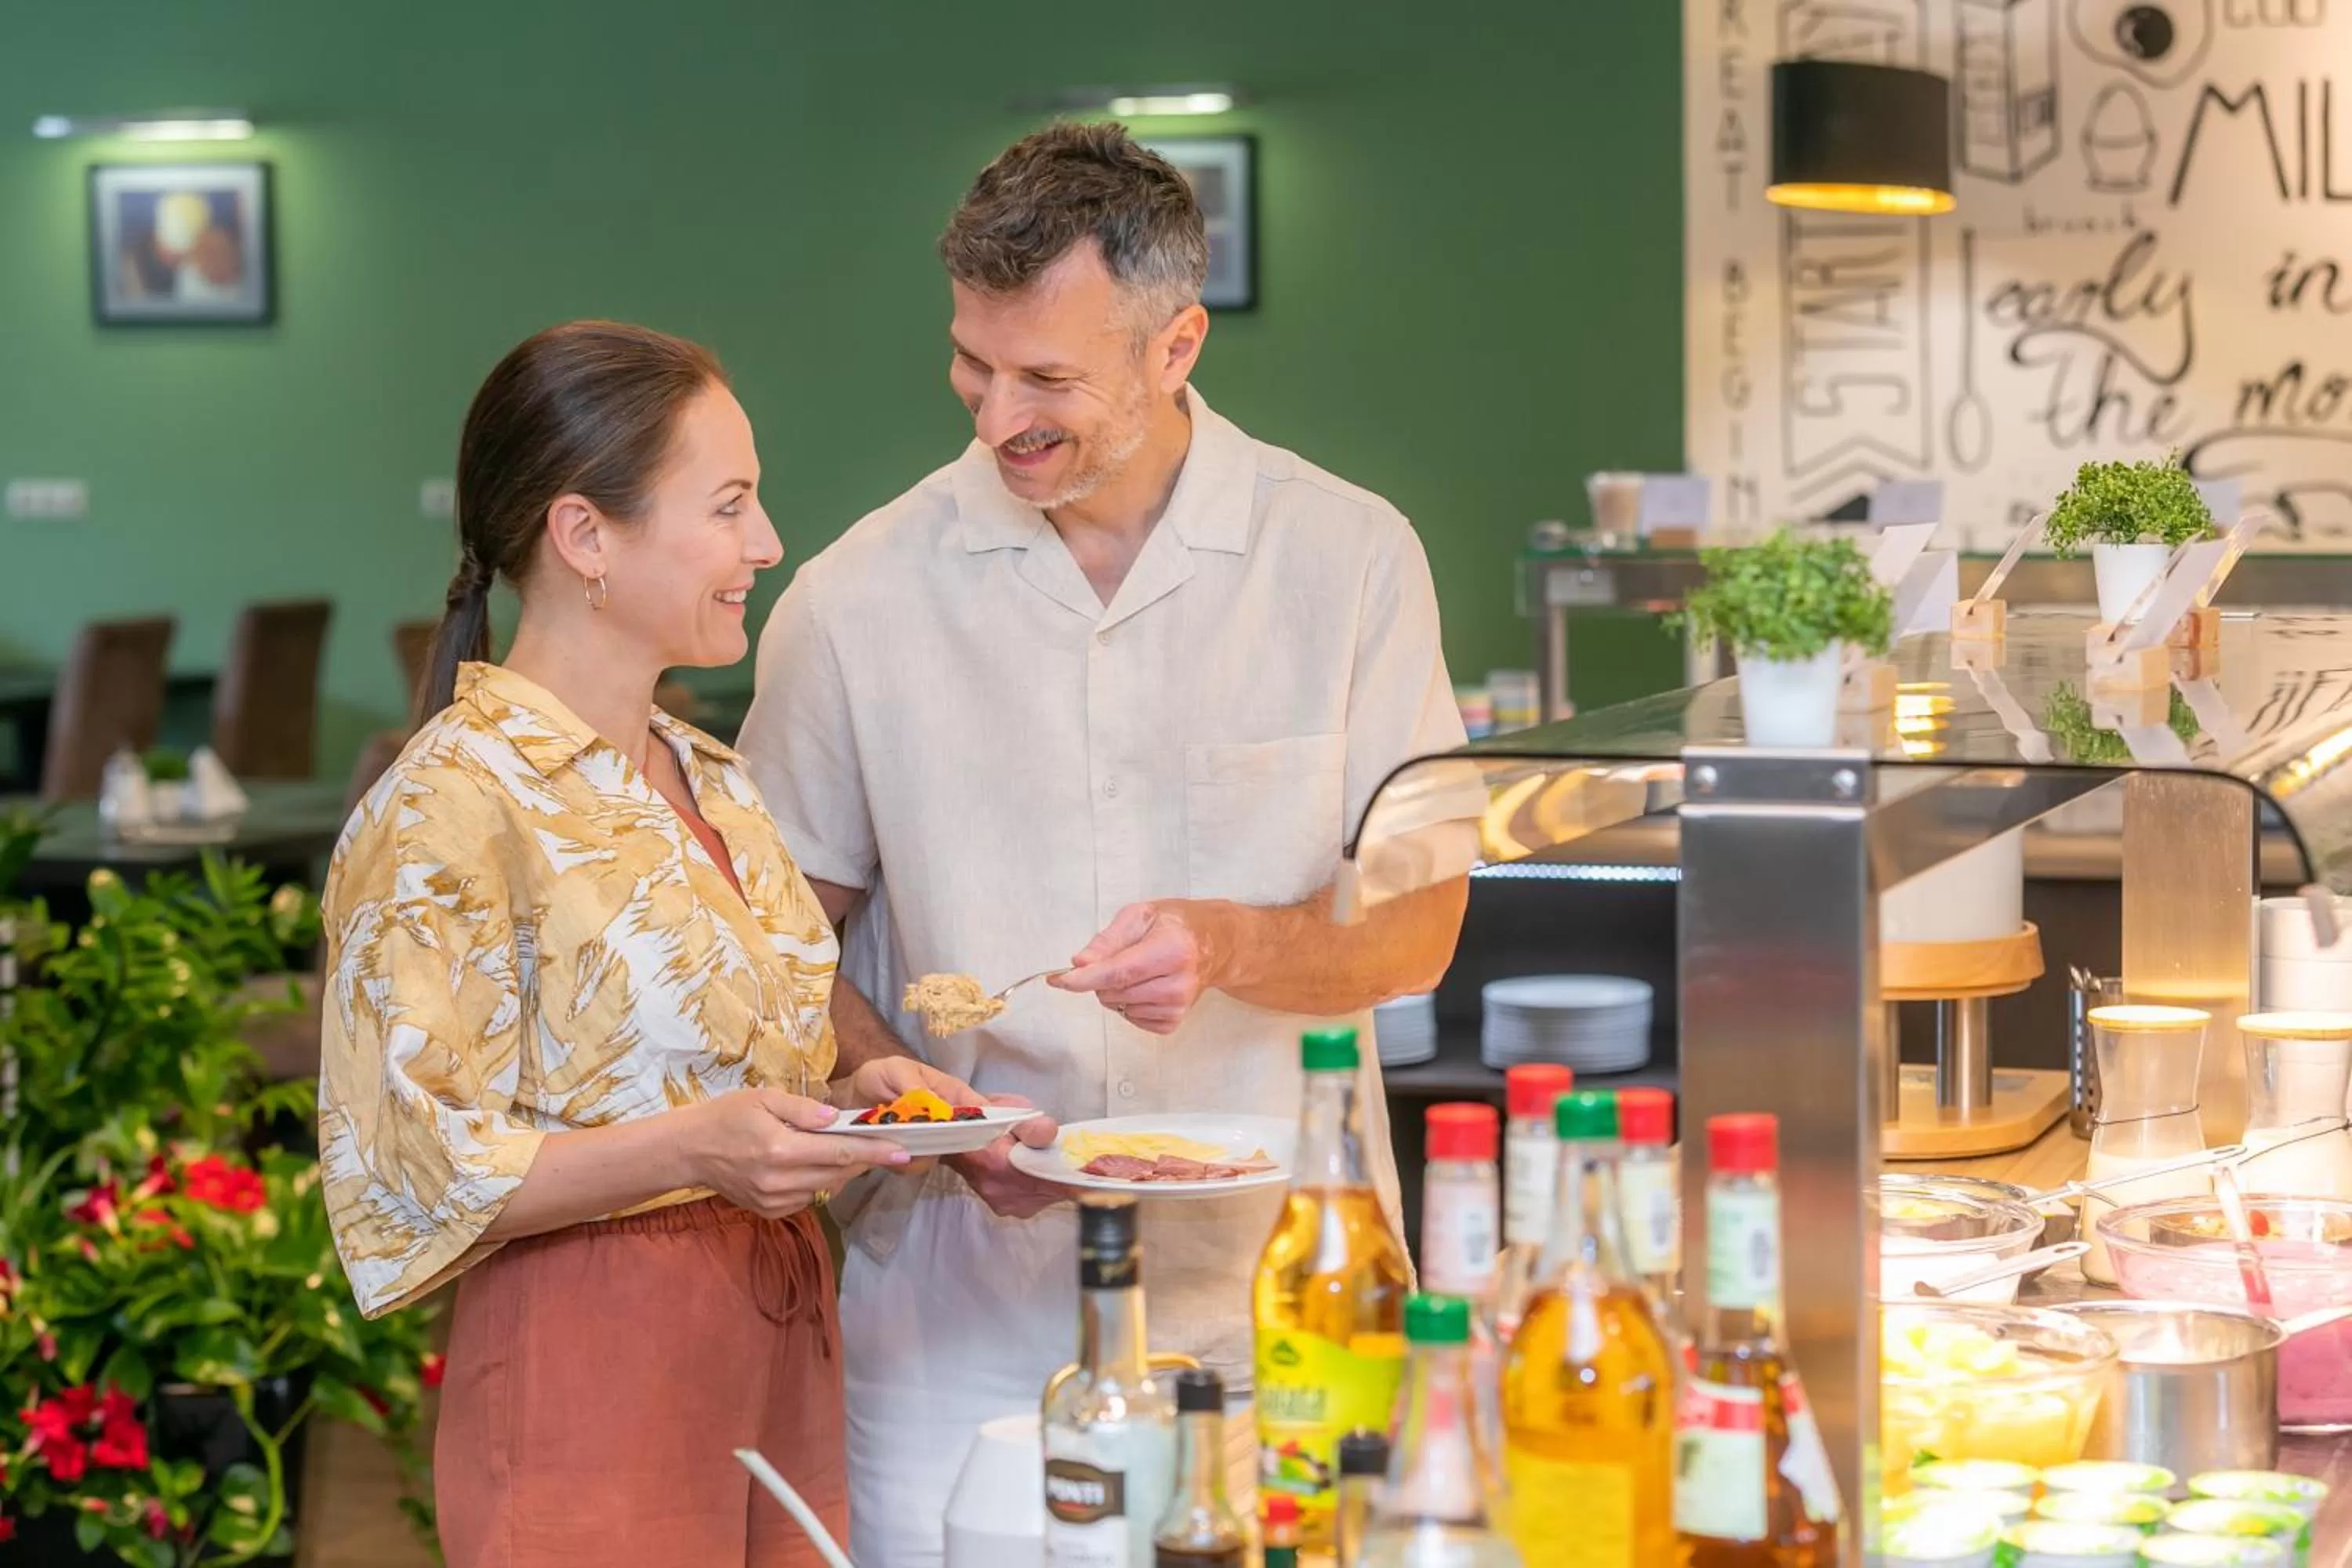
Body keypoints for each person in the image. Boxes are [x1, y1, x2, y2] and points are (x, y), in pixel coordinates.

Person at [735, 123, 1471, 1568]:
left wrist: (1233, 942)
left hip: (1277, 1303)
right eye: (971, 363)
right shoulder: (852, 600)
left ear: (1176, 345)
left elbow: (1420, 923)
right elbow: (767, 943)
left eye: (1049, 379)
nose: (998, 412)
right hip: (956, 1316)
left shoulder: (1350, 559)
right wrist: (904, 1104)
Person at [317, 320, 994, 1567]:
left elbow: (716, 1077)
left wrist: (857, 1100)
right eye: (729, 505)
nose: (766, 544)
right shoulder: (449, 803)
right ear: (585, 538)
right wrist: (695, 1150)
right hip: (593, 1356)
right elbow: (414, 1164)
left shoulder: (709, 776)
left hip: (775, 1329)